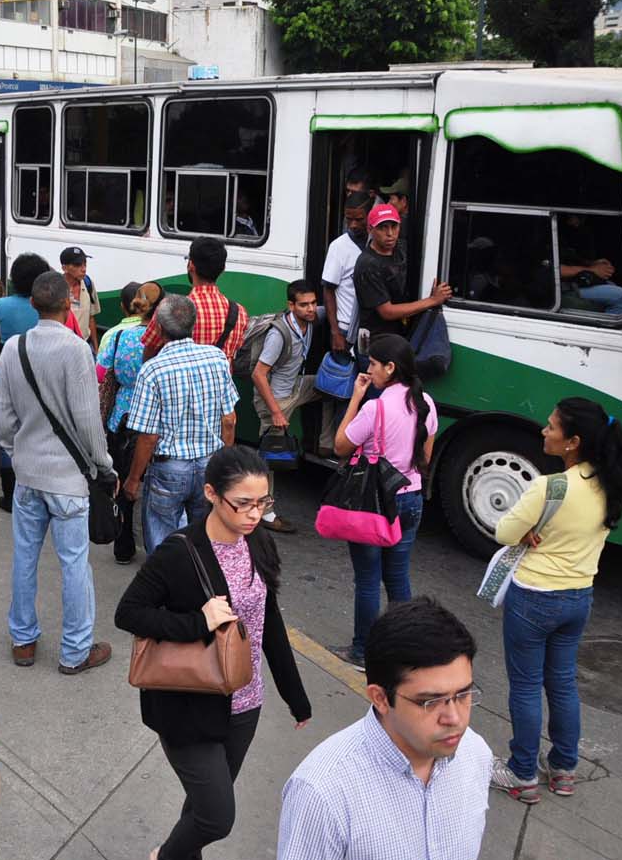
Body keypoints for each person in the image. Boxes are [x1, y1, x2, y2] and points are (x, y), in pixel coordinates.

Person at [116, 446, 311, 860]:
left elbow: (268, 619)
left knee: (201, 807)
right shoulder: (178, 551)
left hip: (245, 700)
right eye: (242, 504)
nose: (254, 514)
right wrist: (196, 623)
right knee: (216, 816)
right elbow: (128, 613)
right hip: (189, 703)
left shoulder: (256, 542)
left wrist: (296, 697)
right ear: (210, 494)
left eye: (262, 503)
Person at [489, 398, 622, 804]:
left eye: (551, 427)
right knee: (563, 683)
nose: (543, 431)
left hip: (534, 597)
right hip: (579, 597)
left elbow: (503, 531)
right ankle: (564, 769)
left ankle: (521, 774)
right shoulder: (610, 484)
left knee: (527, 685)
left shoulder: (549, 487)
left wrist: (527, 531)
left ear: (573, 442)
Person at [278, 598, 491, 860]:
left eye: (463, 694)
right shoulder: (323, 793)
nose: (454, 718)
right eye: (429, 702)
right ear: (379, 698)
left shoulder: (475, 754)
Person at [0, 272, 114, 675]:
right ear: (68, 304)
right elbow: (87, 421)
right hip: (68, 481)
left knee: (24, 558)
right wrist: (103, 466)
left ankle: (23, 640)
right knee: (74, 564)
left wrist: (17, 450)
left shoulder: (14, 348)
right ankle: (75, 650)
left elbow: (3, 414)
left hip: (27, 475)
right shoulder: (77, 349)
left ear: (32, 304)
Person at [330, 334, 438, 670]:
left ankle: (362, 650)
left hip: (374, 503)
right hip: (411, 499)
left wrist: (355, 398)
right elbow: (425, 456)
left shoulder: (374, 407)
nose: (369, 369)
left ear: (390, 368)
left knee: (367, 579)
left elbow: (340, 446)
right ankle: (402, 648)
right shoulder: (427, 404)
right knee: (398, 576)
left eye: (374, 364)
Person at [123, 295, 239, 556]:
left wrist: (133, 480)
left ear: (160, 330)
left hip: (169, 468)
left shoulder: (153, 369)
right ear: (193, 326)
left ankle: (169, 589)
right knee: (203, 538)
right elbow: (229, 420)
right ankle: (198, 589)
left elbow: (148, 437)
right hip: (209, 464)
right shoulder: (217, 358)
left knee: (163, 544)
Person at [249, 279, 327, 533]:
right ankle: (266, 513)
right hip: (276, 398)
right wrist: (275, 412)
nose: (311, 309)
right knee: (270, 460)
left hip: (297, 386)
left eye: (314, 303)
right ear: (291, 305)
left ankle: (327, 444)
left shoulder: (311, 319)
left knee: (339, 386)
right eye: (304, 305)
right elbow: (259, 375)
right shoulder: (278, 334)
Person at [96, 281, 160, 563]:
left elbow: (101, 374)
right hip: (156, 417)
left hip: (121, 418)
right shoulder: (165, 338)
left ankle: (123, 544)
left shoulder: (117, 336)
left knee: (123, 482)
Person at [0, 252, 56, 511]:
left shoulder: (2, 305)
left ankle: (9, 495)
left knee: (8, 426)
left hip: (9, 370)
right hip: (41, 370)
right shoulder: (43, 306)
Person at [354, 203, 451, 348]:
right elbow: (387, 312)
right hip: (376, 343)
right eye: (383, 228)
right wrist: (432, 300)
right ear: (370, 229)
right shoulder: (367, 264)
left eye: (394, 226)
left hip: (400, 337)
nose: (390, 233)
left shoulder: (401, 249)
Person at [141, 238, 247, 364]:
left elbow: (149, 352)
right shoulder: (240, 312)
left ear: (191, 265)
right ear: (223, 269)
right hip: (220, 382)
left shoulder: (169, 308)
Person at [321, 190, 372, 356]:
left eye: (359, 219)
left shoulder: (377, 244)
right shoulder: (339, 247)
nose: (353, 225)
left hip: (369, 330)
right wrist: (335, 332)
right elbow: (328, 290)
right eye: (348, 219)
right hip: (345, 329)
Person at [59, 246, 100, 347]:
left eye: (85, 264)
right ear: (64, 268)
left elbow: (91, 318)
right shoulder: (57, 288)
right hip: (63, 345)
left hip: (85, 344)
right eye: (77, 265)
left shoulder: (88, 283)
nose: (84, 269)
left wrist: (96, 348)